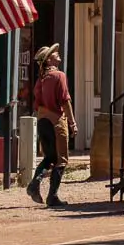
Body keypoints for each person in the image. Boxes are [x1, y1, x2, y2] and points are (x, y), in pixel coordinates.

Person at [26, 44, 77, 207]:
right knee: (61, 159)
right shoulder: (59, 76)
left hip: (42, 121)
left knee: (49, 157)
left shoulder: (41, 79)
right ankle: (52, 196)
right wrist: (72, 122)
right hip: (56, 121)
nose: (58, 54)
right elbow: (65, 100)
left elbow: (36, 103)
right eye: (55, 53)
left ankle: (34, 184)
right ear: (49, 60)